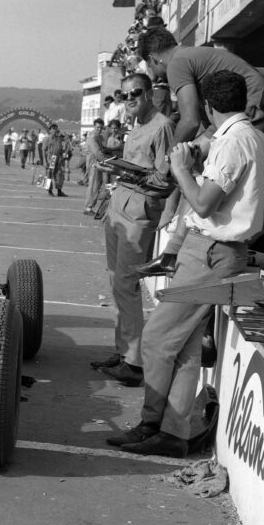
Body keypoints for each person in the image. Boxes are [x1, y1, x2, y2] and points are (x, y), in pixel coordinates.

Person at [107, 70, 264, 457]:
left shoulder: (234, 143)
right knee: (185, 348)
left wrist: (180, 169)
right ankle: (173, 432)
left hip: (211, 250)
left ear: (208, 106)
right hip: (212, 249)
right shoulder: (255, 137)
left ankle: (153, 423)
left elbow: (202, 203)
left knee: (158, 338)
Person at [133, 26, 264, 276]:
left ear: (154, 58)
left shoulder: (177, 63)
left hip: (256, 107)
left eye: (149, 67)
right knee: (192, 160)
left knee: (189, 162)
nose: (152, 75)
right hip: (261, 104)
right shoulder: (195, 54)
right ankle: (172, 251)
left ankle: (176, 249)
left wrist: (168, 160)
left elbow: (188, 121)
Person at [90, 73, 176, 386]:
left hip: (138, 213)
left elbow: (165, 181)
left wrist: (126, 172)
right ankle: (123, 350)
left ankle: (134, 362)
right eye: (125, 95)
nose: (130, 99)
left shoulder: (162, 126)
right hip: (120, 208)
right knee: (116, 283)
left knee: (126, 284)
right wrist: (114, 168)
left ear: (150, 93)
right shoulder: (136, 125)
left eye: (136, 93)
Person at [83, 118, 109, 215]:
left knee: (97, 185)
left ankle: (90, 206)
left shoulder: (99, 137)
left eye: (101, 128)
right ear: (94, 127)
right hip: (93, 164)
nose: (99, 129)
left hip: (98, 163)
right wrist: (107, 161)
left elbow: (103, 149)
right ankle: (88, 207)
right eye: (98, 127)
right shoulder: (92, 138)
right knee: (93, 185)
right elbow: (97, 152)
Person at [42, 123, 66, 197]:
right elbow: (43, 150)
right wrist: (44, 161)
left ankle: (59, 191)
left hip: (58, 159)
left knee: (60, 175)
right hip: (51, 159)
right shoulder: (47, 138)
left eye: (56, 128)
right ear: (50, 130)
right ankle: (49, 191)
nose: (55, 130)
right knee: (49, 175)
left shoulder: (58, 138)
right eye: (53, 128)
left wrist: (62, 158)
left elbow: (61, 149)